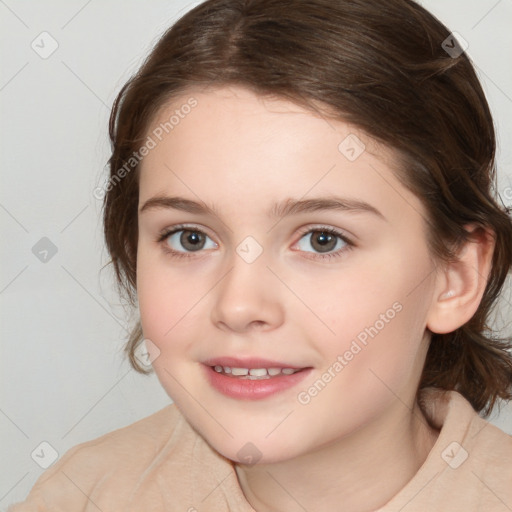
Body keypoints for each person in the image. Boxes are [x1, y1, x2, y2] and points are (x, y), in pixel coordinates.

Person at [10, 0, 512, 510]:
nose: (238, 306)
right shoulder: (80, 496)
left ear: (456, 275)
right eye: (190, 237)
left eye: (322, 240)